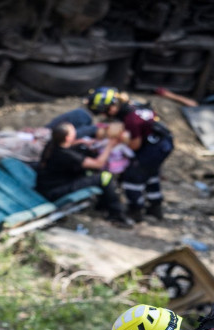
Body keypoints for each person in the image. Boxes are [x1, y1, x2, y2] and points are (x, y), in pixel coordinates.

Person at [85, 87, 174, 221]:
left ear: (112, 107)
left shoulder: (131, 119)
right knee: (151, 173)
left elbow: (135, 145)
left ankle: (135, 211)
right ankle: (155, 208)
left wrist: (117, 142)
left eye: (104, 112)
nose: (104, 115)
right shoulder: (134, 105)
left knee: (133, 175)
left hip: (154, 147)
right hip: (163, 141)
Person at [36, 122, 133, 228]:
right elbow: (98, 164)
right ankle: (117, 214)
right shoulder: (67, 155)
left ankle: (102, 206)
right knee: (105, 177)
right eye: (73, 133)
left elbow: (68, 145)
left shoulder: (52, 145)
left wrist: (82, 142)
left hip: (45, 185)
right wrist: (109, 146)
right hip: (55, 191)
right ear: (68, 138)